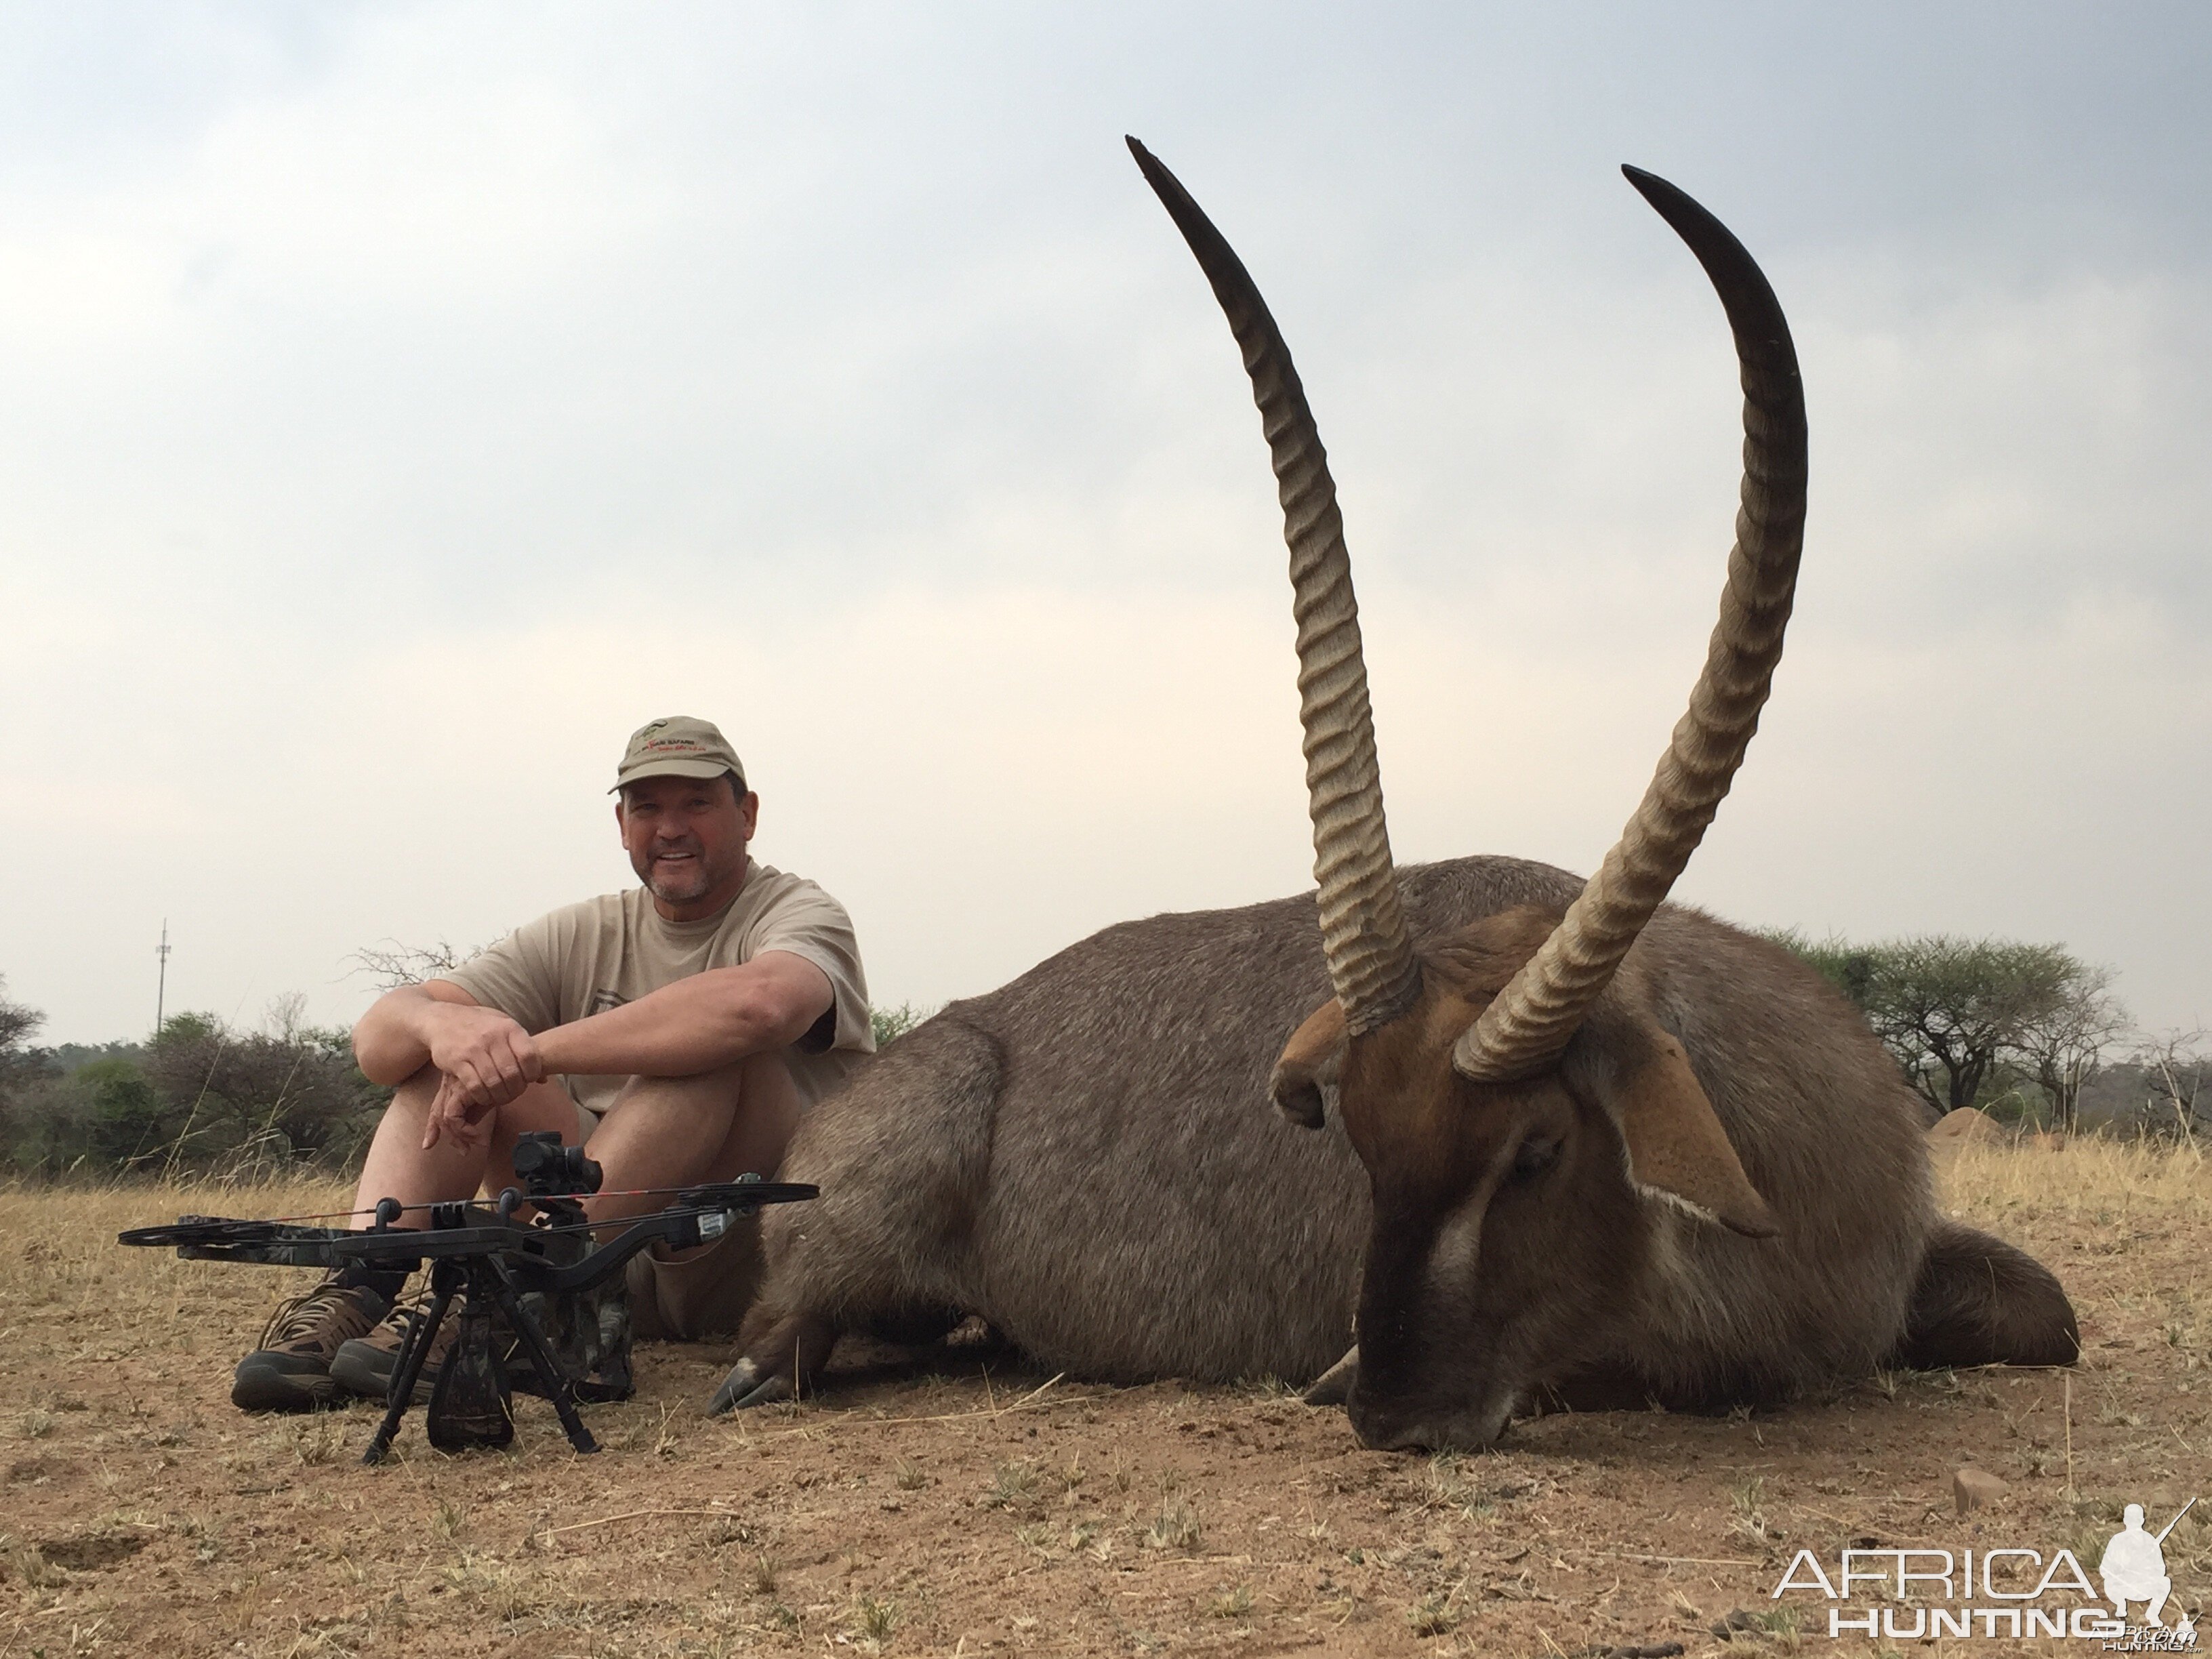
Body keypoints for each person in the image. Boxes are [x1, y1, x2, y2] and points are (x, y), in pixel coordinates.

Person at [231, 716, 873, 1412]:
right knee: (452, 1055)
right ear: (621, 823)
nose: (671, 828)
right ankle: (362, 1288)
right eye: (648, 807)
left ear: (746, 815)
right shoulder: (583, 929)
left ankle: (521, 1295)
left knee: (710, 1057)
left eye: (697, 804)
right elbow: (379, 1045)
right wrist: (443, 1026)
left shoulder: (800, 912)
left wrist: (531, 1051)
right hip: (603, 1267)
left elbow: (762, 1006)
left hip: (747, 1268)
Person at [2100, 1503, 2173, 1626]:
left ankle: (2152, 1614)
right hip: (2122, 1586)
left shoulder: (2150, 1541)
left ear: (2142, 1521)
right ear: (2125, 1521)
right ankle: (2121, 1609)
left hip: (2144, 1586)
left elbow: (2161, 1569)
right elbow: (2105, 1569)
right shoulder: (2117, 1540)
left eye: (2136, 1519)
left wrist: (2145, 1570)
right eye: (2131, 1519)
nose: (2134, 1522)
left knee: (2165, 1582)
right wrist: (2120, 1570)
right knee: (2109, 1582)